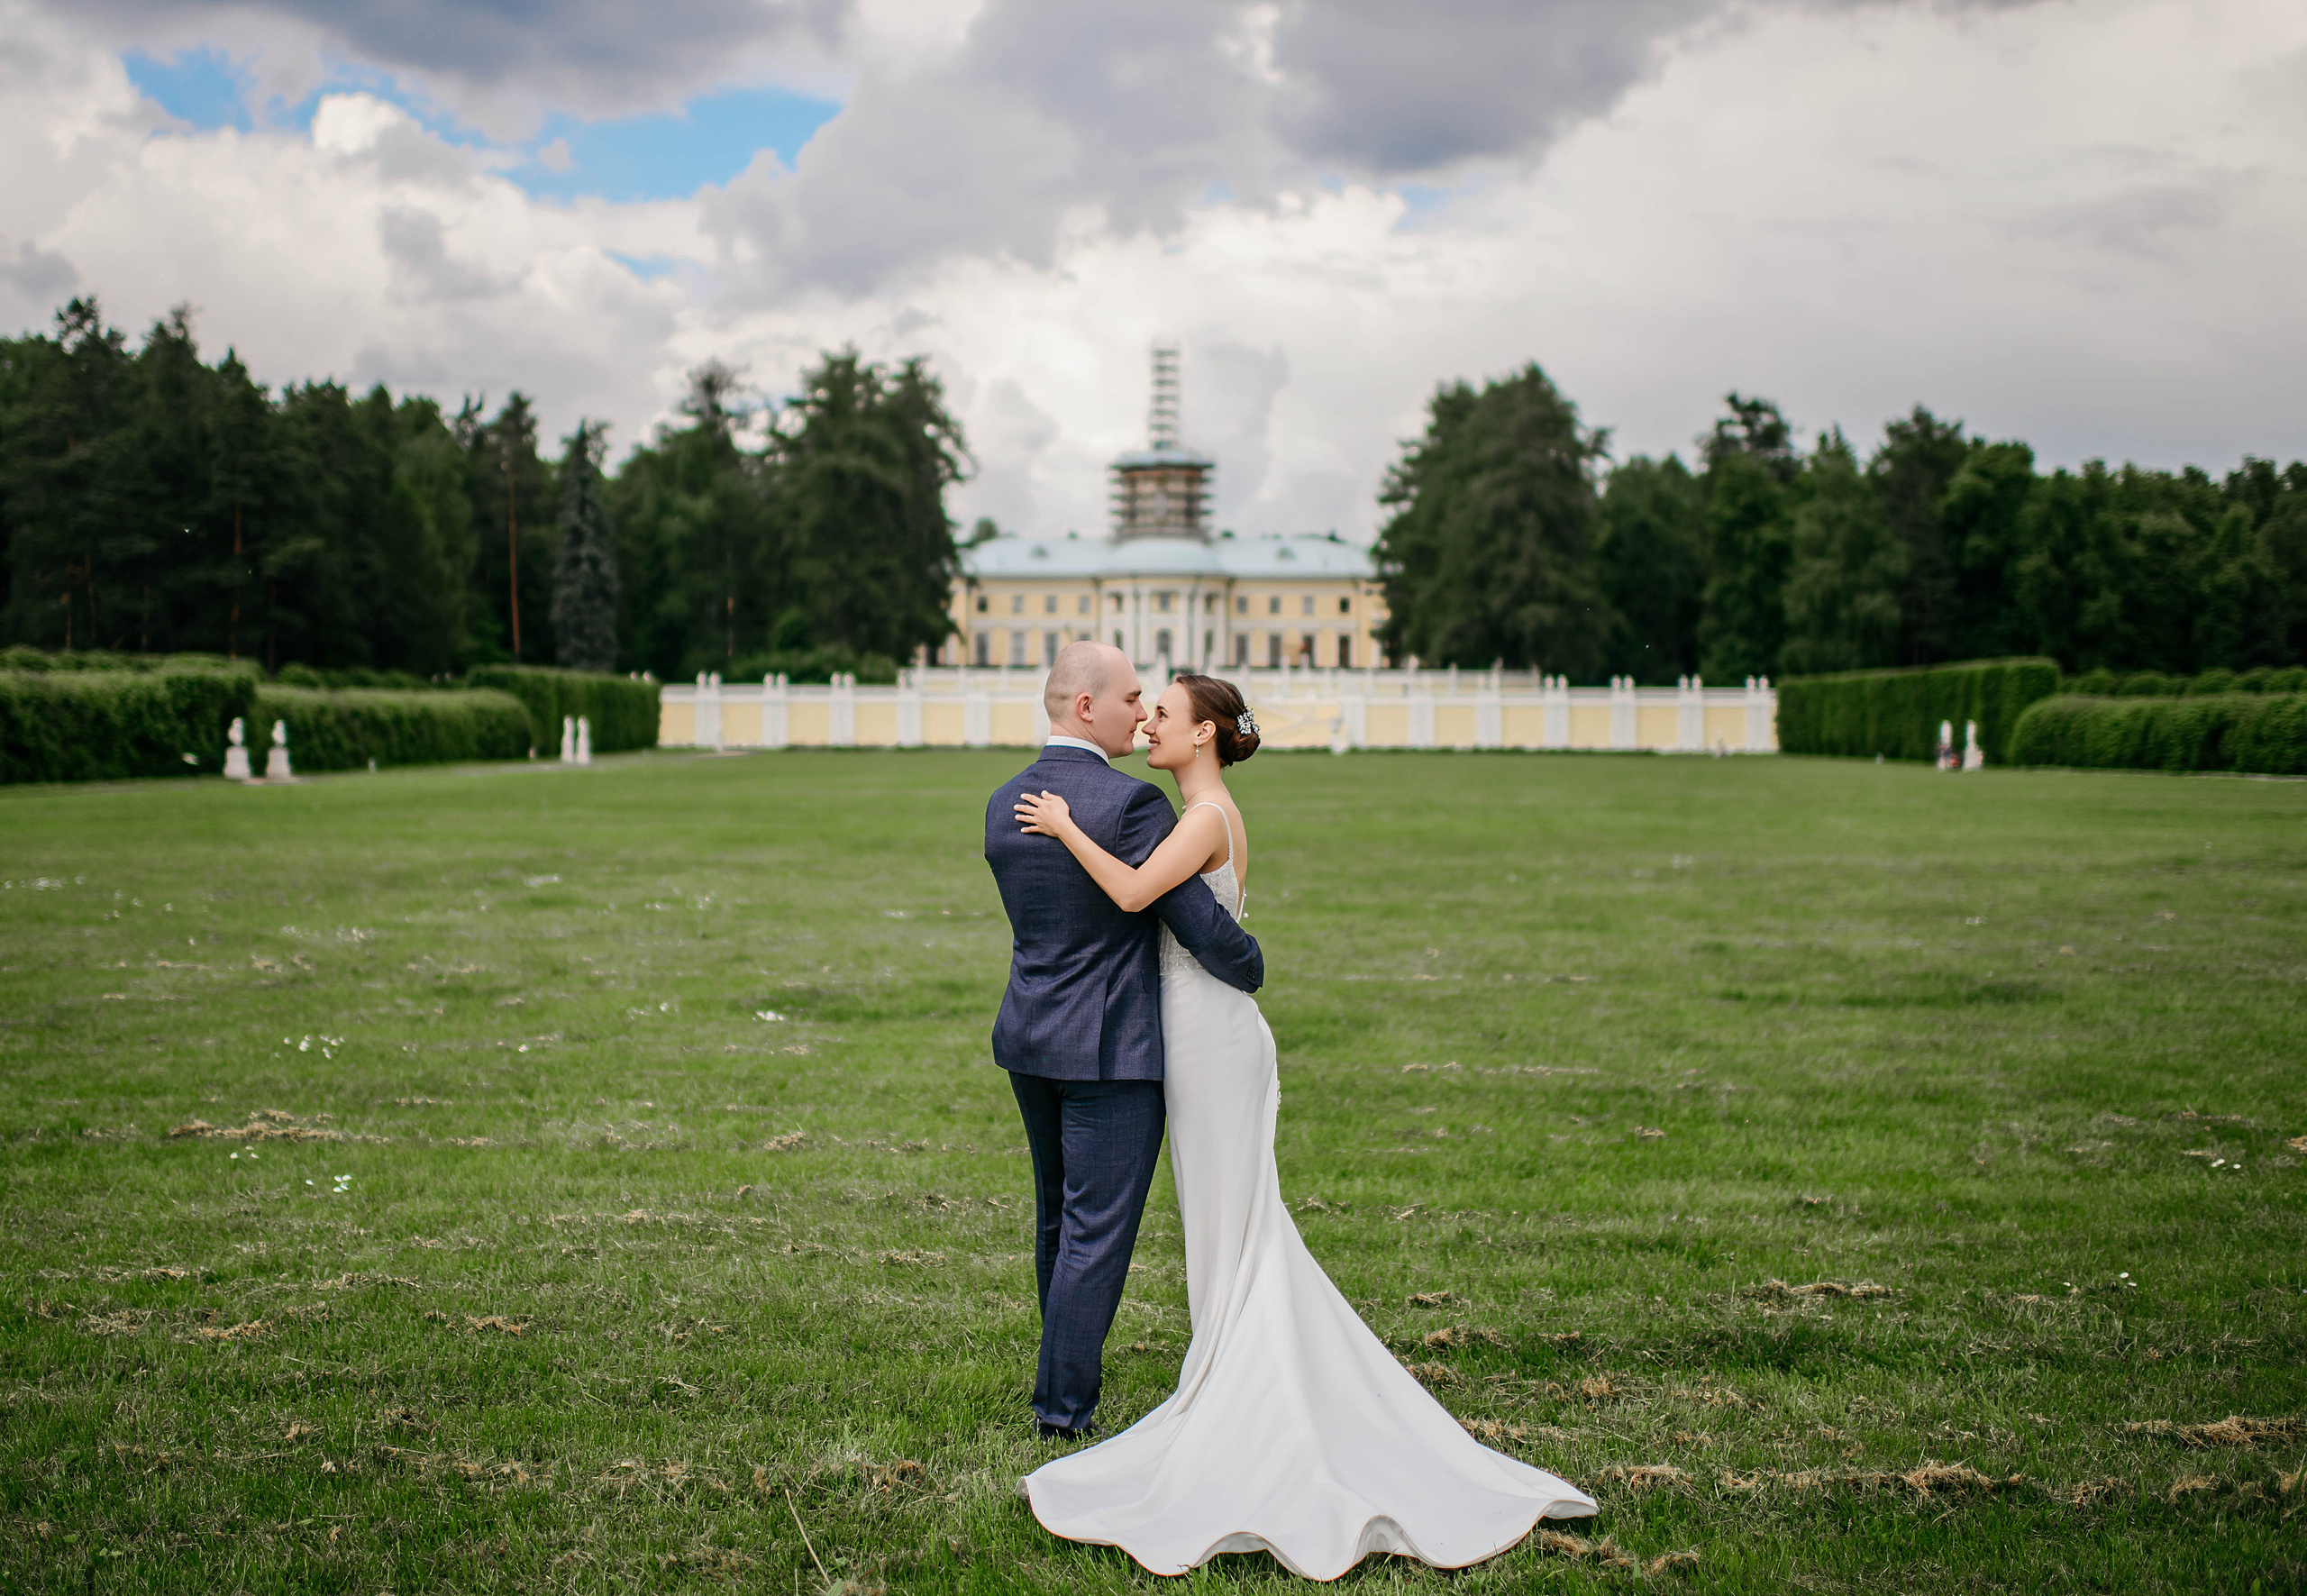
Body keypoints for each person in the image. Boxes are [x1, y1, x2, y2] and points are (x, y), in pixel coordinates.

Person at [1009, 670, 1598, 1580]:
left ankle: (1240, 1399)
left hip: (1208, 1045)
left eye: (1164, 712)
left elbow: (1133, 898)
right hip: (1195, 1035)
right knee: (1230, 1226)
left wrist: (1065, 826)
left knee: (1232, 1227)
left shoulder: (1201, 817)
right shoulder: (1199, 809)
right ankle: (1226, 1377)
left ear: (1205, 734)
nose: (1150, 722)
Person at [982, 642, 1266, 1441]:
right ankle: (1062, 1411)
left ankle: (1057, 1380)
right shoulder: (1132, 807)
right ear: (1086, 707)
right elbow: (1201, 927)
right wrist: (1253, 963)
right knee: (1095, 1233)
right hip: (1113, 1049)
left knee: (1055, 1222)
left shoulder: (1005, 799)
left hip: (1029, 1036)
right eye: (1133, 697)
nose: (1141, 714)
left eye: (1155, 703)